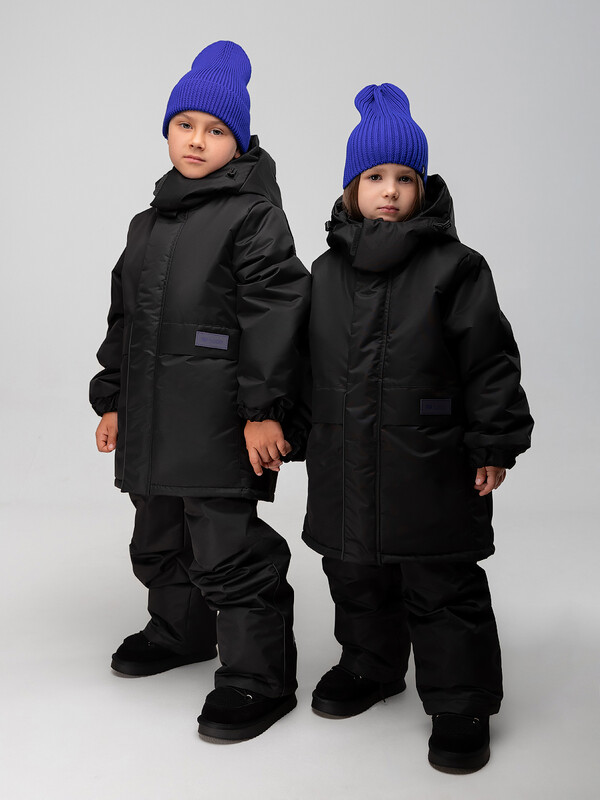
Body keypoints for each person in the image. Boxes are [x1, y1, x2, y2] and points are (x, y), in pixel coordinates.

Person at [303, 83, 533, 773]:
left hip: (428, 459)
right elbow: (300, 361)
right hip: (344, 455)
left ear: (423, 188)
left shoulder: (456, 268)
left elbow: (488, 359)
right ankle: (370, 664)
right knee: (354, 571)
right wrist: (286, 423)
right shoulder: (325, 272)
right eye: (375, 176)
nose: (390, 191)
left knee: (441, 580)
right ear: (352, 188)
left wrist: (494, 440)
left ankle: (461, 700)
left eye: (405, 178)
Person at [90, 40, 311, 743]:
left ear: (238, 142)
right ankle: (180, 630)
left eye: (216, 130)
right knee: (159, 538)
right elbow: (124, 318)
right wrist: (113, 397)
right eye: (185, 125)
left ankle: (259, 678)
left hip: (219, 420)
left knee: (227, 549)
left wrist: (263, 411)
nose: (196, 140)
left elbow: (276, 314)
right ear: (167, 131)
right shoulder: (147, 223)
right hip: (153, 419)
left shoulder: (253, 217)